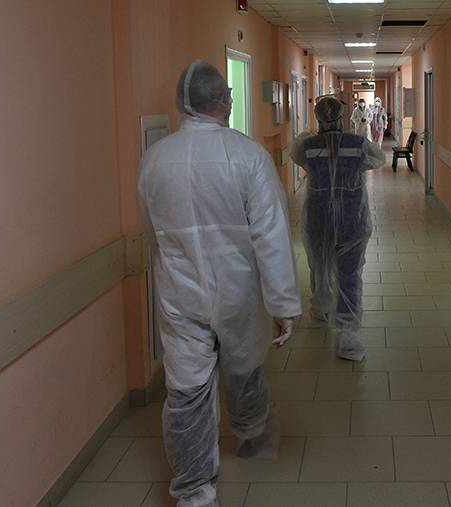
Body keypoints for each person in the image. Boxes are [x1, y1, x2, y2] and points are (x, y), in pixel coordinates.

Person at [138, 60, 302, 507]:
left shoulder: (154, 160)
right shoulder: (247, 155)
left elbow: (152, 234)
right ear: (223, 102)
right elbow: (270, 235)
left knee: (187, 390)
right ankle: (252, 437)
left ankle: (195, 493)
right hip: (238, 291)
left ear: (182, 103)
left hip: (180, 294)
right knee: (244, 368)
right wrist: (284, 304)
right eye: (228, 94)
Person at [291, 96, 385, 361]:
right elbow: (377, 159)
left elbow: (297, 157)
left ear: (318, 118)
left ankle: (320, 309)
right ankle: (347, 335)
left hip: (319, 217)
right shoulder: (357, 144)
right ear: (342, 117)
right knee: (349, 274)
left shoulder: (307, 146)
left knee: (319, 264)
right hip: (352, 219)